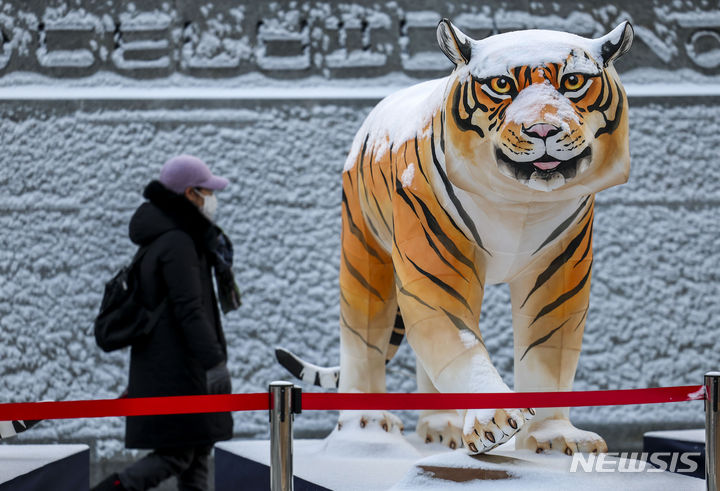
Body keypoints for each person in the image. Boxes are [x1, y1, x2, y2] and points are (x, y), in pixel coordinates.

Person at [93, 155, 241, 491]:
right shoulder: (178, 243)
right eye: (207, 191)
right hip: (179, 372)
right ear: (190, 194)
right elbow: (190, 311)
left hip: (175, 368)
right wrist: (215, 362)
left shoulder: (171, 238)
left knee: (197, 454)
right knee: (178, 456)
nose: (213, 199)